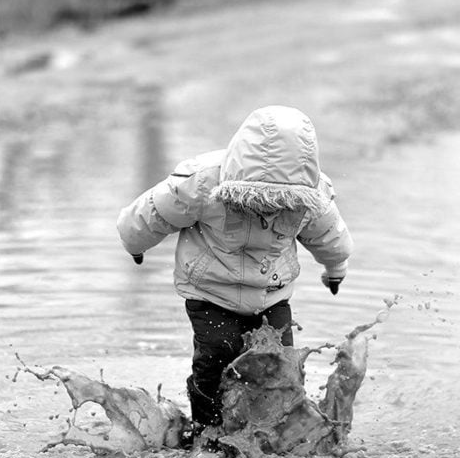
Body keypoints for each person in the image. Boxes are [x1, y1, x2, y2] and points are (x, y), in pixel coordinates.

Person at [117, 105, 353, 437]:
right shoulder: (202, 182)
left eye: (278, 203)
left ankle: (271, 434)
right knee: (216, 357)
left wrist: (335, 267)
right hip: (211, 292)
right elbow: (153, 212)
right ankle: (207, 432)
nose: (267, 209)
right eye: (256, 199)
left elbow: (330, 236)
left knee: (281, 367)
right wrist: (134, 242)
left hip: (272, 295)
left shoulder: (311, 198)